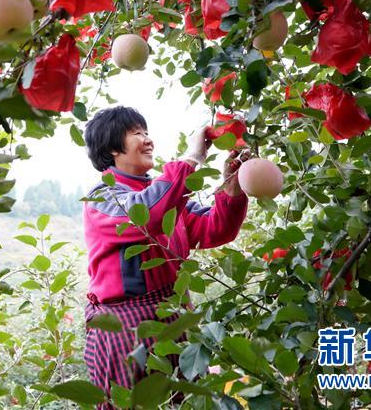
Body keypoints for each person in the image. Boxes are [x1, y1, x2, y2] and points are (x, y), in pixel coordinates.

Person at [81, 106, 249, 408]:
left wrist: (231, 187)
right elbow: (144, 214)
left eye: (146, 132)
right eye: (136, 133)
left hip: (174, 319)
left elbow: (215, 228)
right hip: (127, 330)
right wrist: (192, 158)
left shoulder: (165, 194)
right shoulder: (104, 197)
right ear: (111, 148)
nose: (148, 140)